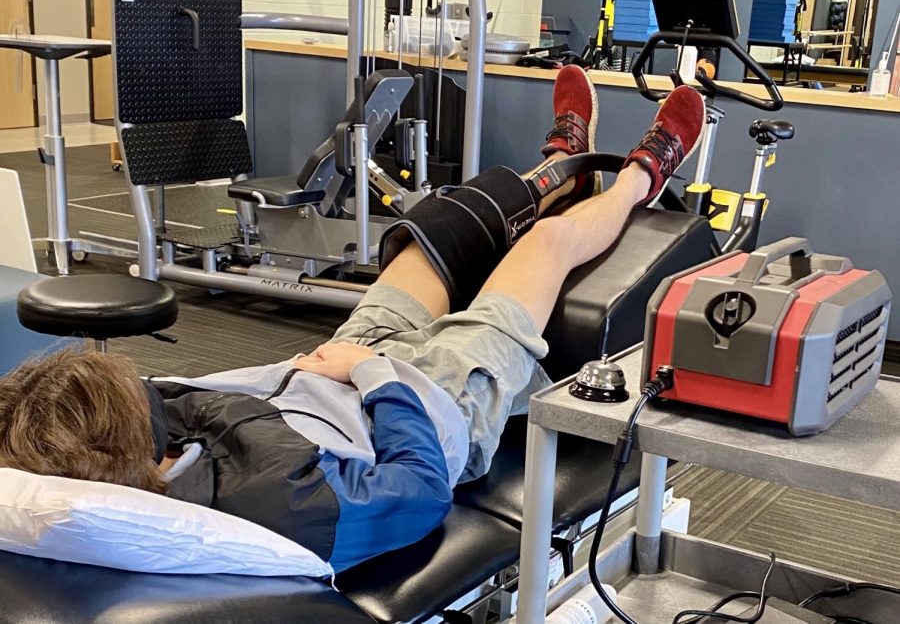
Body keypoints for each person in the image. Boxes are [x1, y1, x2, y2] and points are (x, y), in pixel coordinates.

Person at [0, 67, 704, 572]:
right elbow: (422, 484)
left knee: (440, 227)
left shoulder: (131, 437)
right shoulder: (287, 504)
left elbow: (183, 397)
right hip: (435, 403)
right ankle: (645, 174)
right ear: (148, 457)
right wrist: (370, 373)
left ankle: (560, 168)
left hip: (337, 363)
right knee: (545, 247)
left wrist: (340, 361)